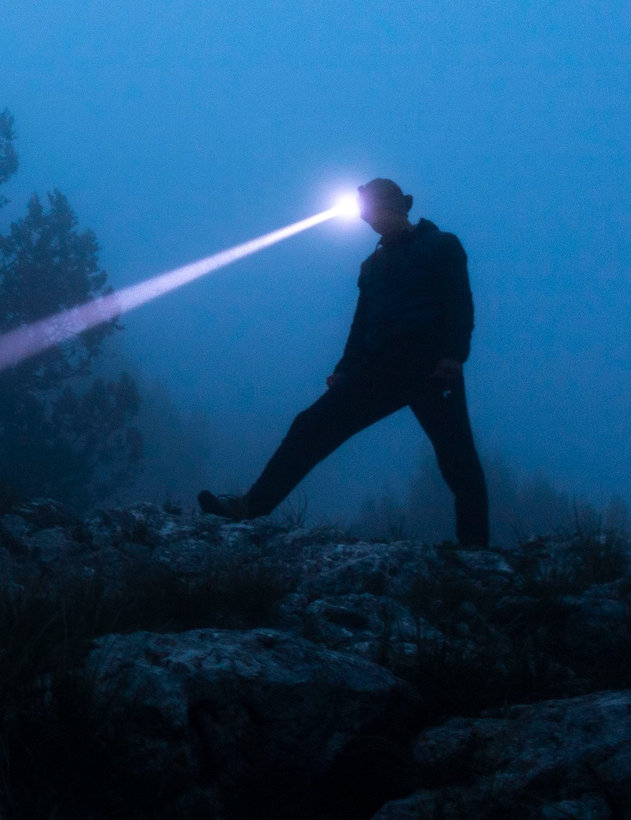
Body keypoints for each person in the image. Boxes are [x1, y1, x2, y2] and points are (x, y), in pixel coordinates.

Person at [200, 177, 490, 547]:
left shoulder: (441, 246)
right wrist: (344, 369)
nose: (370, 220)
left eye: (375, 211)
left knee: (457, 457)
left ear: (398, 207)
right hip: (381, 367)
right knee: (312, 425)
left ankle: (475, 548)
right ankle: (250, 507)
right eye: (366, 215)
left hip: (430, 366)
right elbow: (361, 322)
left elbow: (459, 303)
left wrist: (453, 356)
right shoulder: (372, 265)